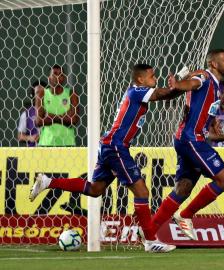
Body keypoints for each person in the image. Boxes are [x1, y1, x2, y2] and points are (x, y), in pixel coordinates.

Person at [29, 64, 181, 253]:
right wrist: (177, 86)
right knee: (142, 192)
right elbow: (161, 94)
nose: (155, 79)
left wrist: (176, 88)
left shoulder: (139, 92)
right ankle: (150, 241)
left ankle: (48, 181)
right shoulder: (137, 91)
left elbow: (165, 95)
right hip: (116, 147)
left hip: (109, 145)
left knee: (95, 189)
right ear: (141, 80)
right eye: (152, 76)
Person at [148, 49, 224, 241]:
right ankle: (185, 216)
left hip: (184, 140)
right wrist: (179, 84)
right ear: (214, 63)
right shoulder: (204, 75)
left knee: (183, 188)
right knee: (223, 180)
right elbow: (193, 84)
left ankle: (148, 231)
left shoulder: (215, 85)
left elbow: (199, 104)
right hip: (192, 140)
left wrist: (212, 121)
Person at [35, 64, 80, 146]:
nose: (58, 76)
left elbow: (73, 120)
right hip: (46, 144)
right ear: (49, 78)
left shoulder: (71, 94)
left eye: (61, 74)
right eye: (55, 74)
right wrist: (64, 117)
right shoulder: (42, 94)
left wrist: (51, 117)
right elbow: (38, 122)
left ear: (64, 78)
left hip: (67, 144)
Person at [17, 81, 47, 146]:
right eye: (37, 93)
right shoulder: (26, 114)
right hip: (34, 153)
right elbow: (20, 136)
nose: (40, 96)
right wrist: (30, 138)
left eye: (43, 93)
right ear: (32, 95)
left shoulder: (53, 110)